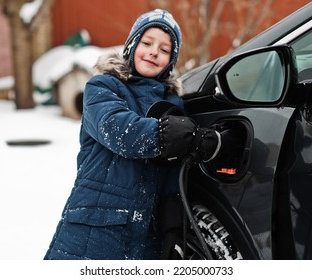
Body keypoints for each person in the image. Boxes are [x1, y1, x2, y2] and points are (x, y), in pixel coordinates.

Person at [44, 9, 221, 260]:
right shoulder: (102, 87)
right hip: (94, 227)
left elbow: (172, 174)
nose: (153, 52)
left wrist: (172, 228)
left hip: (144, 235)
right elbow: (119, 131)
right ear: (132, 45)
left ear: (171, 61)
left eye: (164, 49)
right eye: (147, 43)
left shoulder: (172, 106)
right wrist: (167, 135)